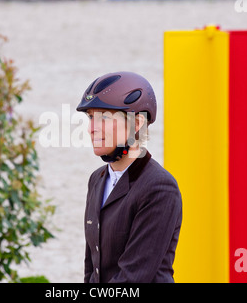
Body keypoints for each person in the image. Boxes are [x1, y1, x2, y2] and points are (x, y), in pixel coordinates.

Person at [76, 71, 182, 283]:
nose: (92, 129)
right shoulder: (97, 180)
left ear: (138, 122)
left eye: (104, 118)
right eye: (90, 117)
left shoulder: (159, 188)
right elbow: (92, 271)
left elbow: (133, 277)